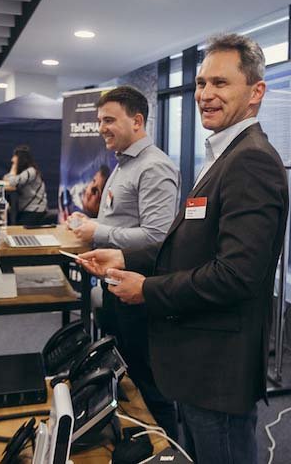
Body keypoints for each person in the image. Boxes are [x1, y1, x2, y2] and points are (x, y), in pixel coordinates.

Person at [78, 33, 289, 463]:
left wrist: (146, 289)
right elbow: (192, 246)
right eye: (201, 83)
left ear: (256, 92)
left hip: (217, 367)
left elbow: (237, 275)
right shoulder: (224, 153)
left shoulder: (251, 160)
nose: (205, 94)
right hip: (197, 360)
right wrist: (125, 257)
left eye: (221, 83)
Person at [70, 85, 180, 438]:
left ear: (137, 121)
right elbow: (123, 222)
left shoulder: (154, 167)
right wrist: (90, 222)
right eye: (100, 120)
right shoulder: (123, 164)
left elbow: (158, 237)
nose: (101, 128)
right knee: (127, 377)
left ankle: (167, 451)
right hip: (116, 287)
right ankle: (137, 443)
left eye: (109, 120)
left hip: (140, 293)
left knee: (149, 384)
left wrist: (98, 230)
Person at [4, 145, 48, 225]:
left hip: (35, 209)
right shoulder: (24, 172)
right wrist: (12, 174)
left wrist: (13, 168)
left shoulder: (31, 171)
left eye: (14, 157)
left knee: (18, 228)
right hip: (25, 209)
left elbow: (13, 182)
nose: (12, 160)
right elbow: (6, 178)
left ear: (21, 159)